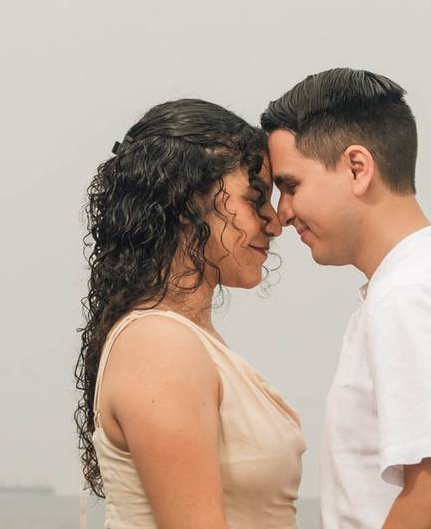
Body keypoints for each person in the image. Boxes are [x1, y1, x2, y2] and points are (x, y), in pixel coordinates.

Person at [261, 68, 431, 529]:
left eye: (291, 187)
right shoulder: (423, 281)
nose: (283, 213)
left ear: (357, 167)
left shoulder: (412, 296)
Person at [75, 99, 306, 528]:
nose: (275, 222)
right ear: (185, 202)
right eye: (256, 196)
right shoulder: (159, 345)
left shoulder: (183, 340)